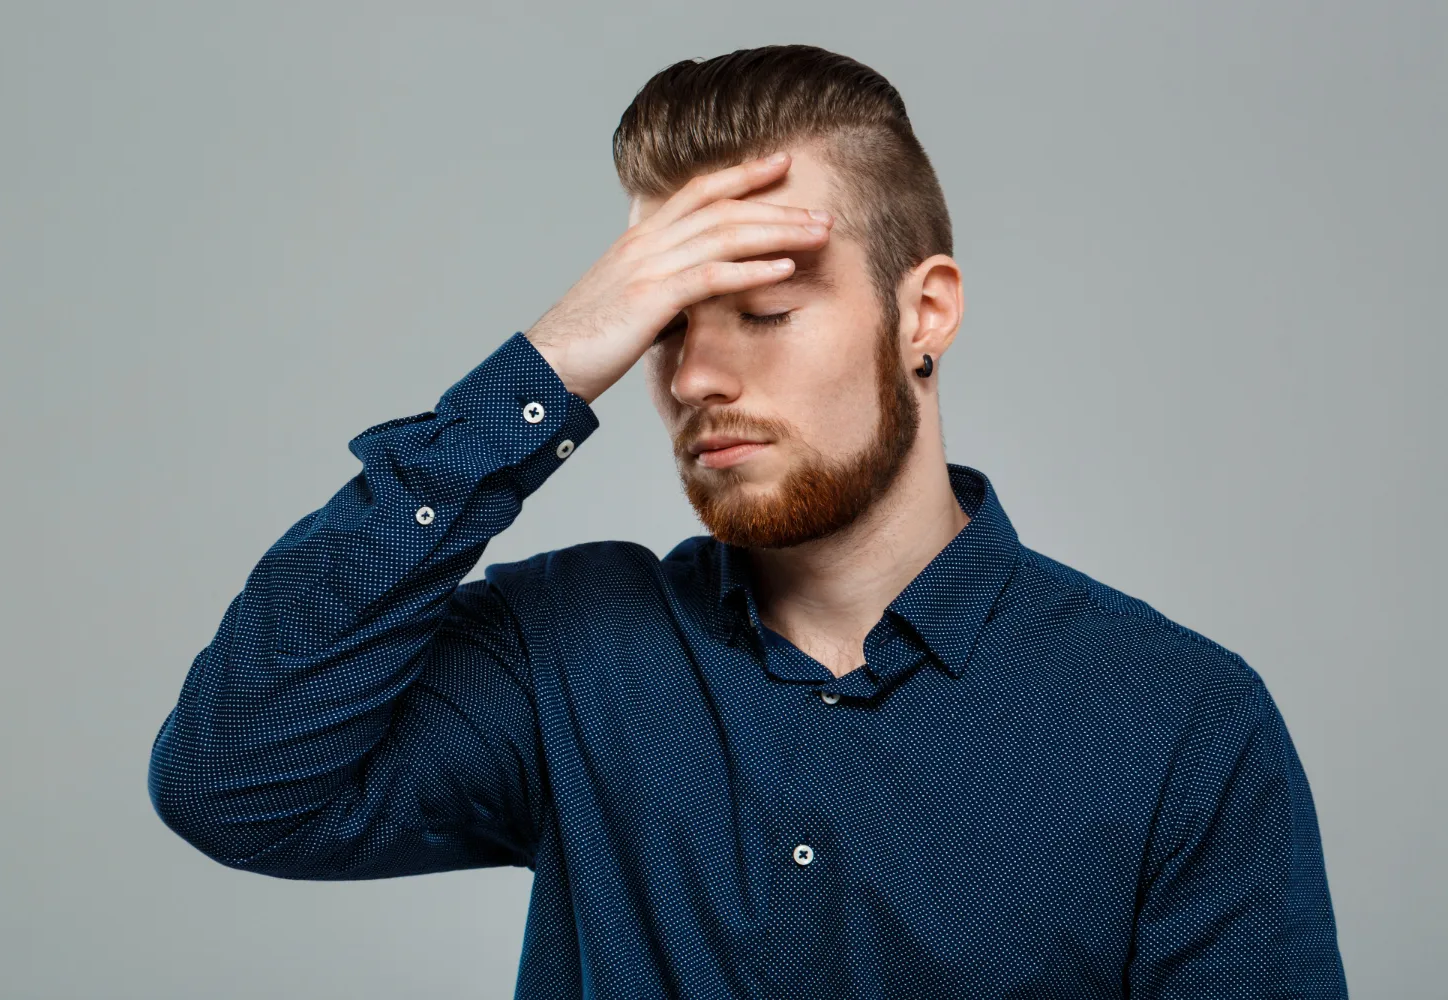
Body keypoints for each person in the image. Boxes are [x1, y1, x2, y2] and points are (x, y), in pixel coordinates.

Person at [147, 44, 1347, 999]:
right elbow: (234, 781)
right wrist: (550, 364)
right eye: (663, 320)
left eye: (762, 309)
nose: (694, 376)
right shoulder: (567, 649)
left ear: (923, 312)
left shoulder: (1182, 729)